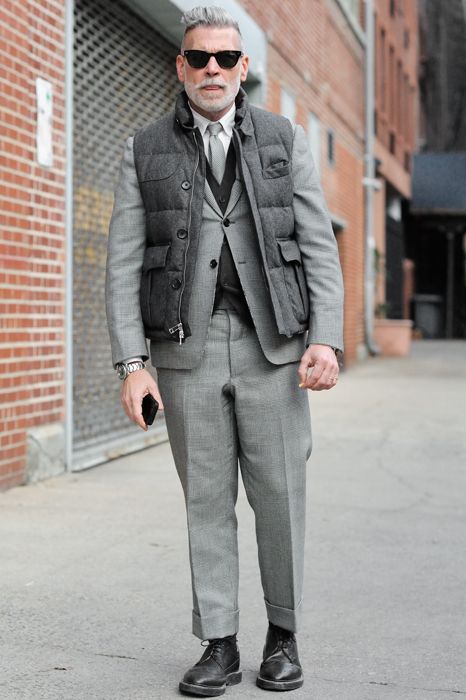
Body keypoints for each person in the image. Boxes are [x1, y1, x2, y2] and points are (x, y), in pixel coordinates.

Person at [105, 5, 343, 696]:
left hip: (275, 348)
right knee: (205, 501)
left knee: (281, 497)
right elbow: (122, 265)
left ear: (244, 68)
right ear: (180, 66)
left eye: (227, 58)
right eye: (200, 58)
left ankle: (283, 635)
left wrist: (325, 337)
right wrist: (132, 365)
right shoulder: (143, 149)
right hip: (187, 350)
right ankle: (219, 643)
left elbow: (318, 247)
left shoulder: (284, 139)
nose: (214, 69)